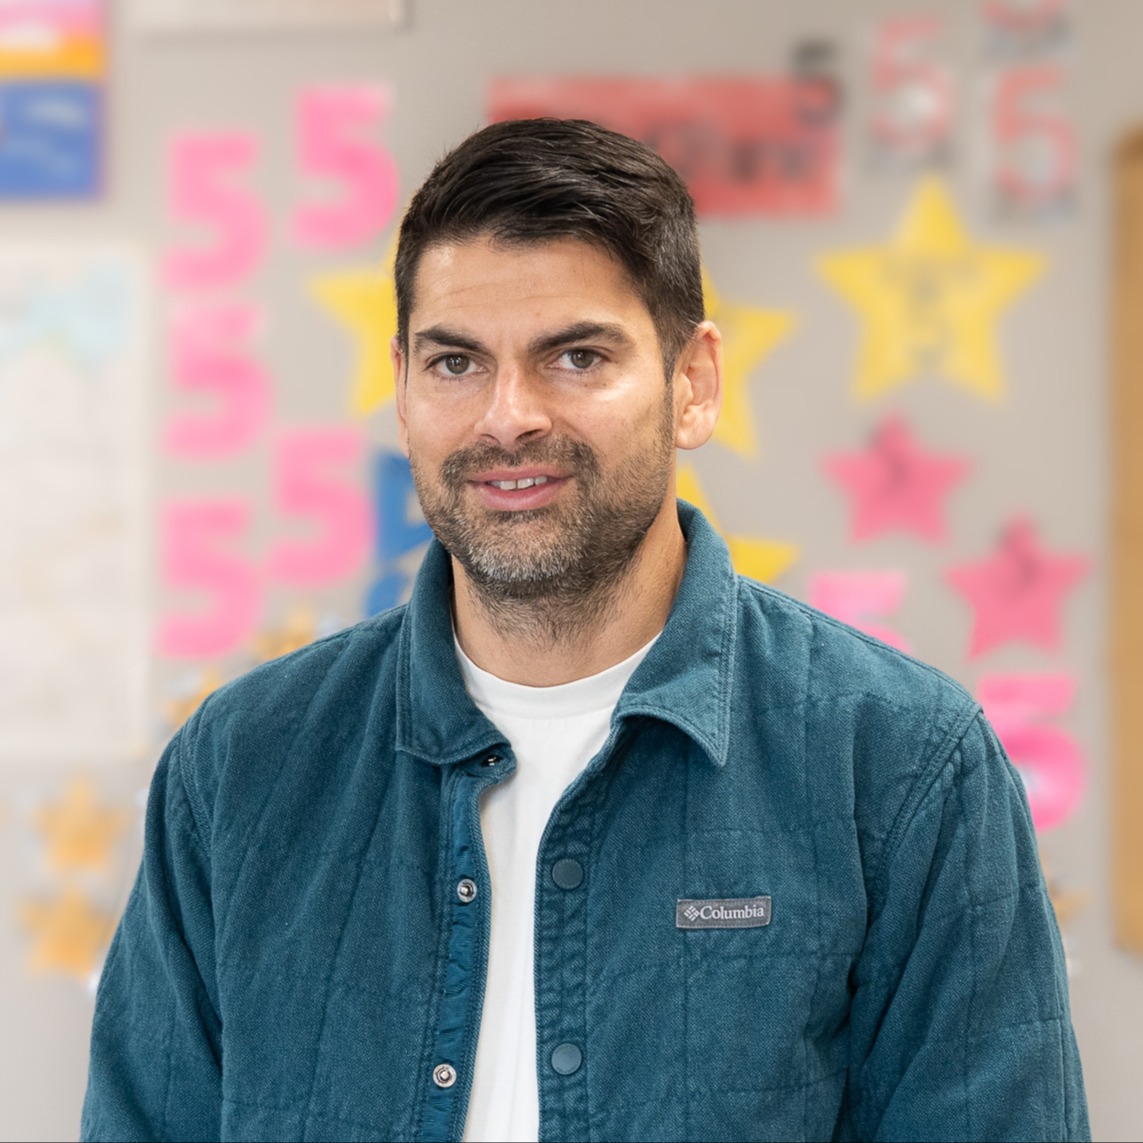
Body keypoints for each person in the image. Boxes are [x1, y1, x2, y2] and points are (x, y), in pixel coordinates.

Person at [81, 118, 1089, 1143]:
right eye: (456, 363)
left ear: (692, 383)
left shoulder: (904, 765)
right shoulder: (241, 770)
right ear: (401, 387)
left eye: (575, 355)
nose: (507, 417)